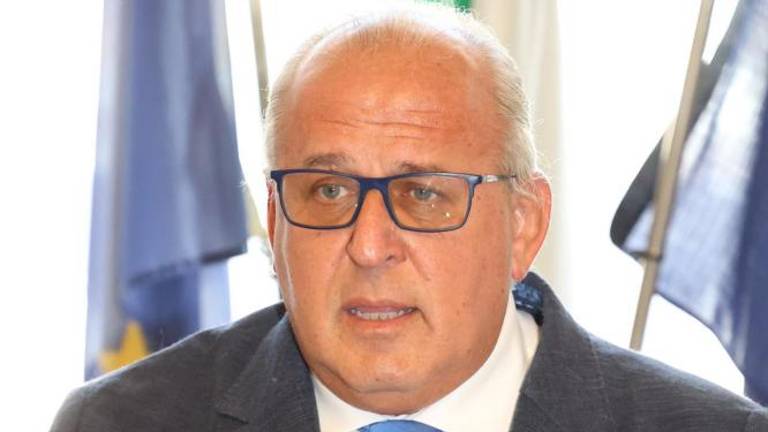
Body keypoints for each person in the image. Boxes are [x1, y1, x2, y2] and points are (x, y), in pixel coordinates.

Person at [52, 4, 767, 432]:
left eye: (423, 194)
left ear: (523, 225)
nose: (369, 246)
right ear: (274, 223)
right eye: (327, 192)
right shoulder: (123, 423)